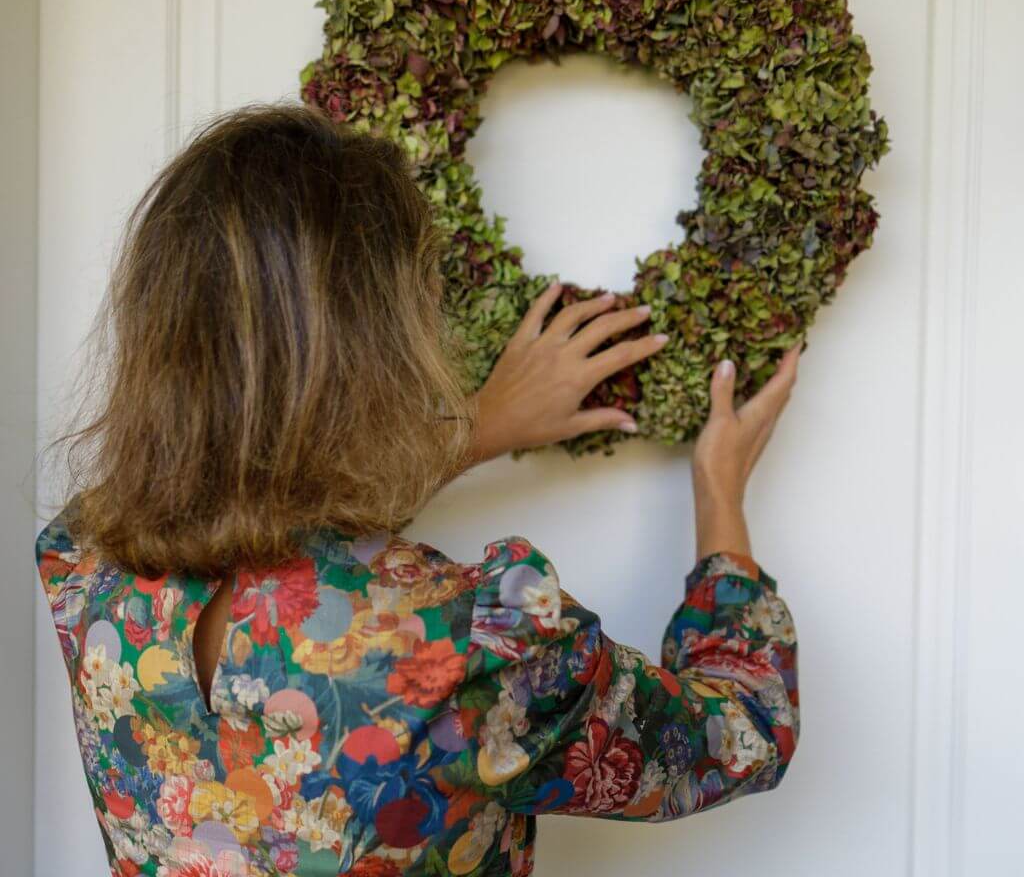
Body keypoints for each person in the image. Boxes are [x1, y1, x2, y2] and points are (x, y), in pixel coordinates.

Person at [35, 102, 800, 877]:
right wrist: (721, 498)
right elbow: (745, 731)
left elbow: (264, 525)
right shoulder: (466, 646)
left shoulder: (83, 569)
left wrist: (480, 425)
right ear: (387, 342)